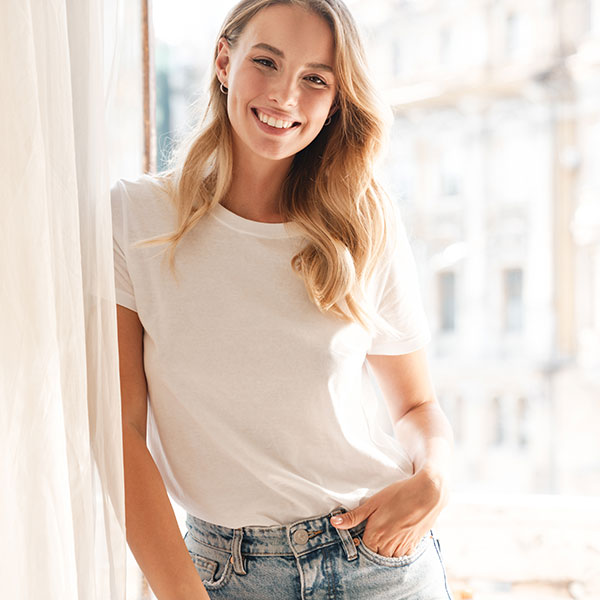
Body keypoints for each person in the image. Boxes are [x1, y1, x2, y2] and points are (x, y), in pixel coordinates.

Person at [112, 0, 454, 598]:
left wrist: (436, 478)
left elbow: (415, 406)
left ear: (337, 97)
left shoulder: (362, 222)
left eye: (314, 79)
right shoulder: (136, 217)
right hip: (226, 573)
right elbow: (120, 436)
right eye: (265, 62)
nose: (284, 97)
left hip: (380, 562)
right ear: (224, 60)